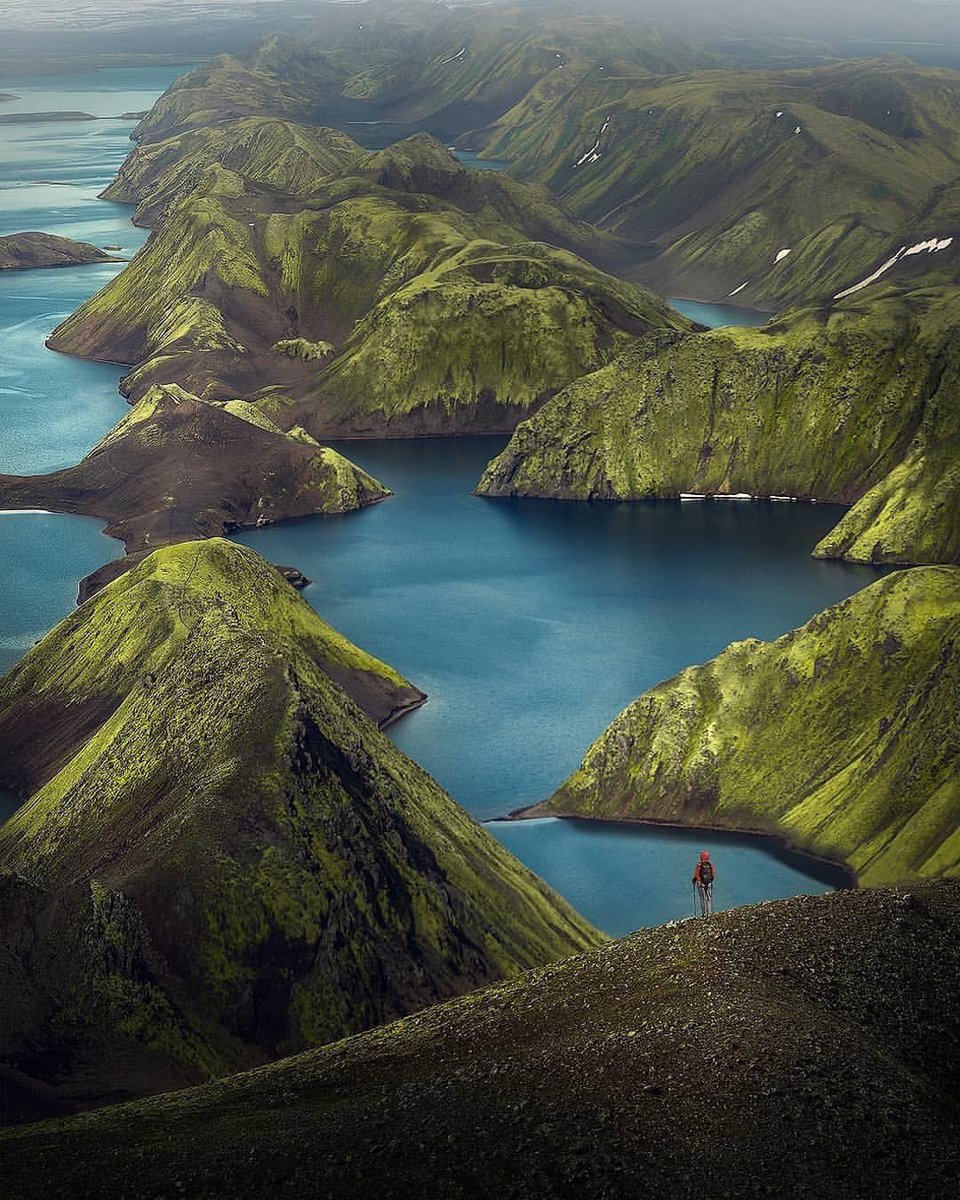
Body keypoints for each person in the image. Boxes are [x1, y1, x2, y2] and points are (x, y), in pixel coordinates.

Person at [692, 850, 715, 916]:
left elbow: (696, 875)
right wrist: (710, 880)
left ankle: (704, 913)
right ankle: (709, 913)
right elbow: (713, 875)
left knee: (702, 898)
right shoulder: (711, 864)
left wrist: (694, 880)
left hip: (701, 884)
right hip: (709, 883)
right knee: (709, 898)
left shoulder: (699, 865)